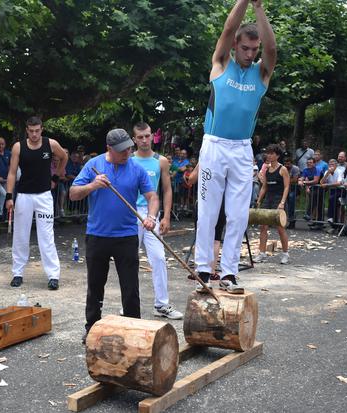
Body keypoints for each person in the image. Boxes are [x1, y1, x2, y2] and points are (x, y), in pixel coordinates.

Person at [195, 0, 276, 294]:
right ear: (235, 47)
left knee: (238, 214)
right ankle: (204, 267)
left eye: (254, 50)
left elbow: (272, 51)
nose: (250, 54)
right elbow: (229, 29)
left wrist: (259, 8)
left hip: (242, 149)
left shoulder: (261, 74)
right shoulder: (221, 64)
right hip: (214, 145)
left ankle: (229, 272)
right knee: (208, 211)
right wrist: (244, 1)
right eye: (245, 48)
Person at [70, 128, 158, 343]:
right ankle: (91, 327)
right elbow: (73, 194)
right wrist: (93, 185)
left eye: (129, 148)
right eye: (122, 150)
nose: (127, 153)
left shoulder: (136, 168)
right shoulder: (94, 166)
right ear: (109, 148)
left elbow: (152, 196)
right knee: (95, 286)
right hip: (97, 235)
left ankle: (134, 328)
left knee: (130, 287)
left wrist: (152, 217)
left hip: (126, 236)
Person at [5, 117, 67, 290]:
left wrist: (56, 177)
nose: (34, 134)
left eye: (37, 130)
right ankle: (17, 273)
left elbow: (64, 157)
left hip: (44, 196)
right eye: (31, 131)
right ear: (27, 130)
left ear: (42, 129)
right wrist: (9, 196)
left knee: (47, 236)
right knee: (20, 235)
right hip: (24, 195)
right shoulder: (19, 147)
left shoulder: (51, 144)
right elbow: (11, 173)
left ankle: (53, 275)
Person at [131, 122, 183, 320]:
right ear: (134, 139)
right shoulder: (129, 160)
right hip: (131, 213)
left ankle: (161, 304)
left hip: (152, 213)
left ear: (152, 136)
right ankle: (130, 304)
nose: (144, 140)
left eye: (147, 136)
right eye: (140, 137)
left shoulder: (160, 161)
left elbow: (167, 189)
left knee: (159, 258)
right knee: (129, 259)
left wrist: (167, 216)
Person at [254, 144, 290, 264]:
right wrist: (259, 199)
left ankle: (285, 253)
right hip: (268, 199)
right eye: (268, 153)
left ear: (277, 155)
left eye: (271, 153)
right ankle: (262, 253)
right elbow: (264, 186)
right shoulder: (267, 169)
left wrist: (282, 202)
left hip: (278, 199)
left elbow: (286, 187)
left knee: (280, 228)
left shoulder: (283, 169)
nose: (269, 155)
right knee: (263, 227)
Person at [320, 159, 344, 231]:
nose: (331, 166)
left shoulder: (339, 171)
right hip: (332, 190)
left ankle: (331, 217)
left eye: (332, 165)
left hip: (340, 190)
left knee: (332, 199)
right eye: (329, 165)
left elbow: (338, 183)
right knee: (333, 202)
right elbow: (321, 182)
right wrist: (327, 174)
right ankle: (333, 223)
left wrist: (327, 185)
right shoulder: (327, 172)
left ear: (336, 166)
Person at [299, 158, 320, 222]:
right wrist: (300, 181)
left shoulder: (317, 169)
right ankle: (310, 216)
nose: (309, 164)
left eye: (310, 162)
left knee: (316, 201)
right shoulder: (305, 170)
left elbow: (316, 181)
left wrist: (304, 182)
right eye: (308, 162)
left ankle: (309, 214)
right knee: (312, 199)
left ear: (314, 163)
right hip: (312, 187)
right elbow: (302, 178)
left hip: (320, 187)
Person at [283, 157, 300, 228]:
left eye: (288, 164)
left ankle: (292, 221)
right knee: (284, 205)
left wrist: (285, 180)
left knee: (291, 203)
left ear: (291, 163)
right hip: (285, 189)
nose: (287, 165)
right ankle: (283, 220)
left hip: (293, 189)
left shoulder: (295, 169)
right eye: (285, 164)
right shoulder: (283, 168)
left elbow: (295, 180)